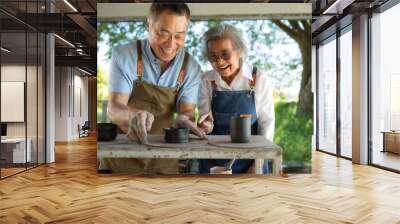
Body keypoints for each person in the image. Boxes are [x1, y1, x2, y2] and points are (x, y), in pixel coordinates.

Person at [98, 3, 205, 174]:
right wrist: (132, 115)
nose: (171, 44)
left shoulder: (191, 67)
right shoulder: (124, 55)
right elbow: (114, 107)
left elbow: (188, 111)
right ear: (148, 25)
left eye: (179, 35)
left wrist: (185, 120)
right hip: (121, 156)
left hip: (163, 161)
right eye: (163, 33)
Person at [198, 24, 275, 174]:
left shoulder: (257, 78)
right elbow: (206, 121)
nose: (219, 62)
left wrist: (258, 162)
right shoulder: (206, 80)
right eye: (212, 56)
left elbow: (267, 124)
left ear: (239, 51)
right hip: (214, 160)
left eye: (225, 54)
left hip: (252, 158)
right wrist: (205, 126)